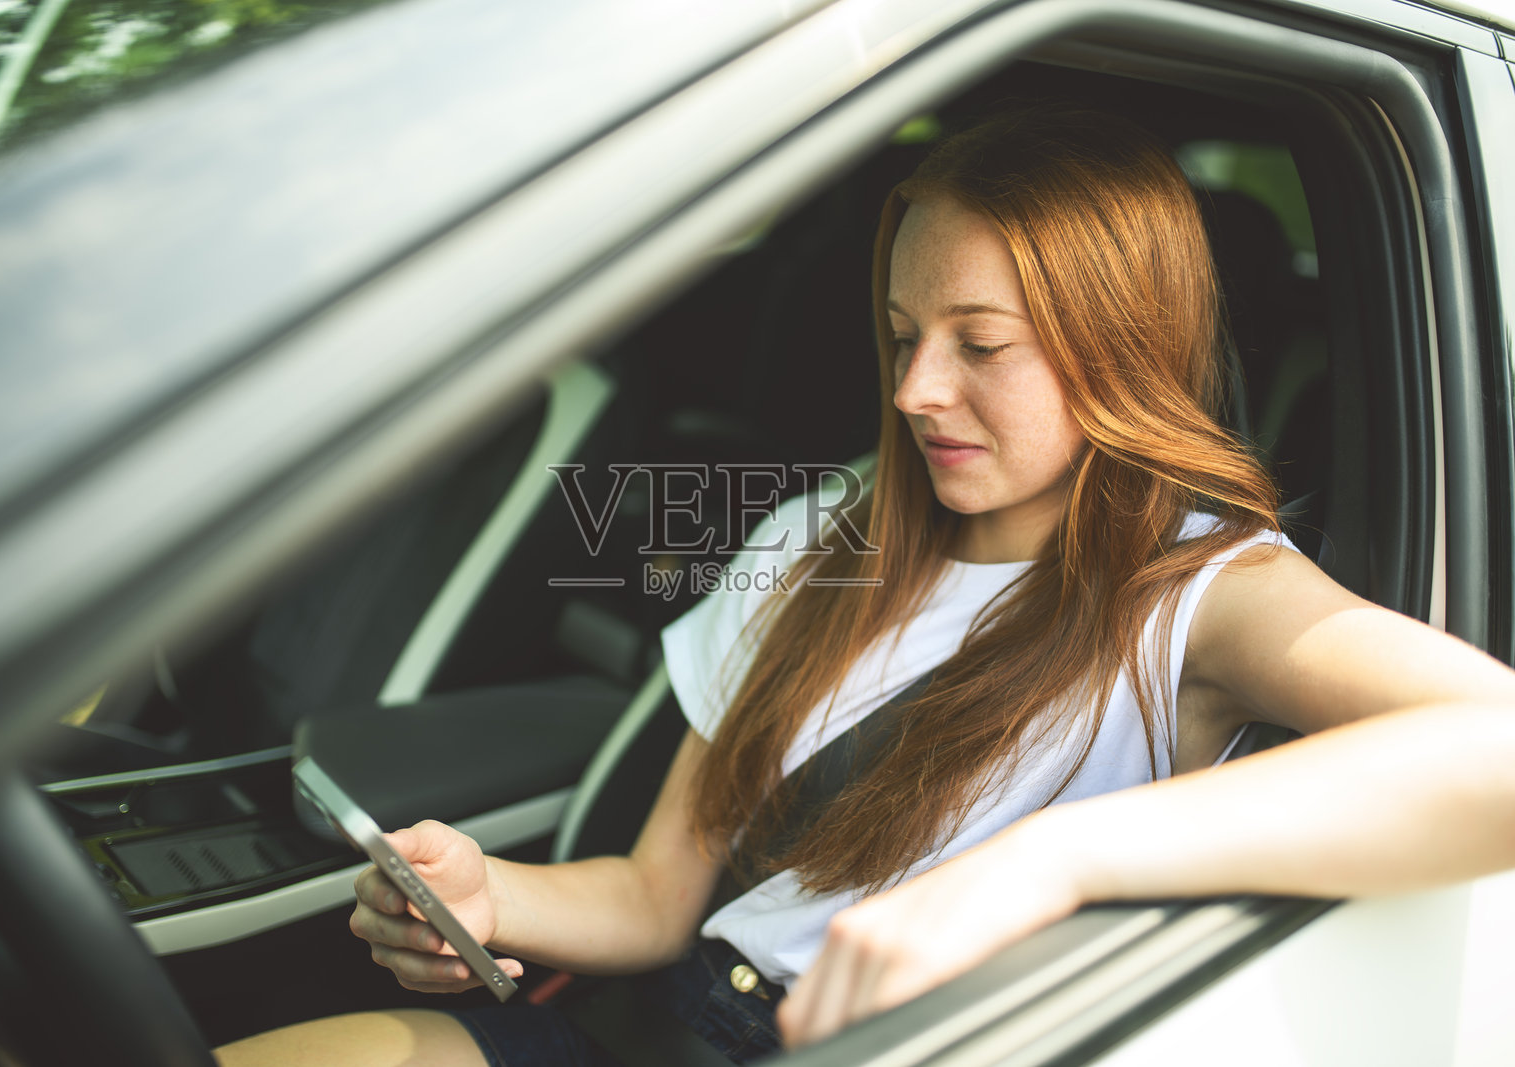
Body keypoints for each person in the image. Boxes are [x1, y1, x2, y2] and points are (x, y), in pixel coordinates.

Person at [217, 104, 1515, 1066]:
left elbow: (1496, 750)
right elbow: (661, 894)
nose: (913, 392)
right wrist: (495, 895)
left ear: (1117, 350)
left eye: (979, 346)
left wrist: (1045, 868)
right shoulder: (823, 535)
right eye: (901, 338)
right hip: (656, 1028)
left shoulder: (1202, 593)